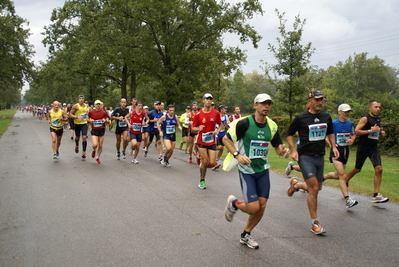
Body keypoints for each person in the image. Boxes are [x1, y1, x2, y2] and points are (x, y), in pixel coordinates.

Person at [223, 93, 289, 249]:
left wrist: (283, 152)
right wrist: (237, 155)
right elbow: (226, 139)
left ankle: (246, 234)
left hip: (263, 170)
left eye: (269, 104)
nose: (266, 106)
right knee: (253, 207)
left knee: (262, 206)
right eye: (263, 103)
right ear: (255, 105)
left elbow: (278, 147)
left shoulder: (272, 125)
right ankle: (235, 203)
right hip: (247, 170)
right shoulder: (244, 123)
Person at [286, 89, 338, 235]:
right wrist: (293, 150)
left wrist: (333, 146)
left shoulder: (326, 116)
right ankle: (314, 223)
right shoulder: (301, 118)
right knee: (314, 188)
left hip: (319, 156)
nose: (320, 102)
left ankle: (296, 185)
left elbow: (330, 132)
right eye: (317, 100)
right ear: (310, 101)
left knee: (316, 187)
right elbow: (289, 133)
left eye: (321, 100)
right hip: (305, 157)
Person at [345, 100, 389, 203]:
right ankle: (344, 181)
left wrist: (381, 132)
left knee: (379, 169)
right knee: (357, 169)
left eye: (379, 107)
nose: (378, 109)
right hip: (363, 148)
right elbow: (356, 131)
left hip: (374, 149)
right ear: (370, 108)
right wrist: (370, 131)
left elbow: (376, 128)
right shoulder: (365, 118)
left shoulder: (378, 119)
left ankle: (376, 194)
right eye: (376, 107)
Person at [191, 93, 222, 189]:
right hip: (201, 140)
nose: (209, 101)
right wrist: (199, 128)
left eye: (210, 99)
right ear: (203, 100)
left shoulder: (216, 113)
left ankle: (202, 166)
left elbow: (220, 124)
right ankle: (202, 180)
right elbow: (193, 129)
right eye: (207, 99)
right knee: (205, 160)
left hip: (211, 140)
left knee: (212, 163)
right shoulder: (198, 114)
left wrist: (217, 130)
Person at [88, 100, 110, 164]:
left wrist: (105, 120)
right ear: (94, 105)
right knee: (95, 144)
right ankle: (94, 150)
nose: (98, 105)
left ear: (101, 105)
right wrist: (90, 120)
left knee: (100, 145)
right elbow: (87, 118)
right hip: (94, 130)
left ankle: (97, 157)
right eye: (97, 104)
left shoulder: (103, 112)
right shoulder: (91, 112)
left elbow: (107, 119)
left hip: (101, 129)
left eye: (99, 104)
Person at [69, 95, 90, 159]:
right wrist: (76, 117)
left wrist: (88, 119)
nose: (81, 100)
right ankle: (77, 145)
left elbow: (87, 114)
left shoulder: (86, 106)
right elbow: (70, 114)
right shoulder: (75, 106)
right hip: (77, 124)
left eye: (82, 98)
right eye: (80, 98)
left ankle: (84, 152)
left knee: (84, 137)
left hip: (84, 123)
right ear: (78, 99)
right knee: (77, 137)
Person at [213, 105, 229, 170]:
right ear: (221, 110)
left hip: (223, 133)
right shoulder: (216, 115)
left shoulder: (226, 116)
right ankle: (209, 151)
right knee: (219, 147)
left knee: (222, 148)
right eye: (225, 109)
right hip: (217, 134)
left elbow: (227, 126)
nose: (226, 110)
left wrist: (227, 125)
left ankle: (217, 160)